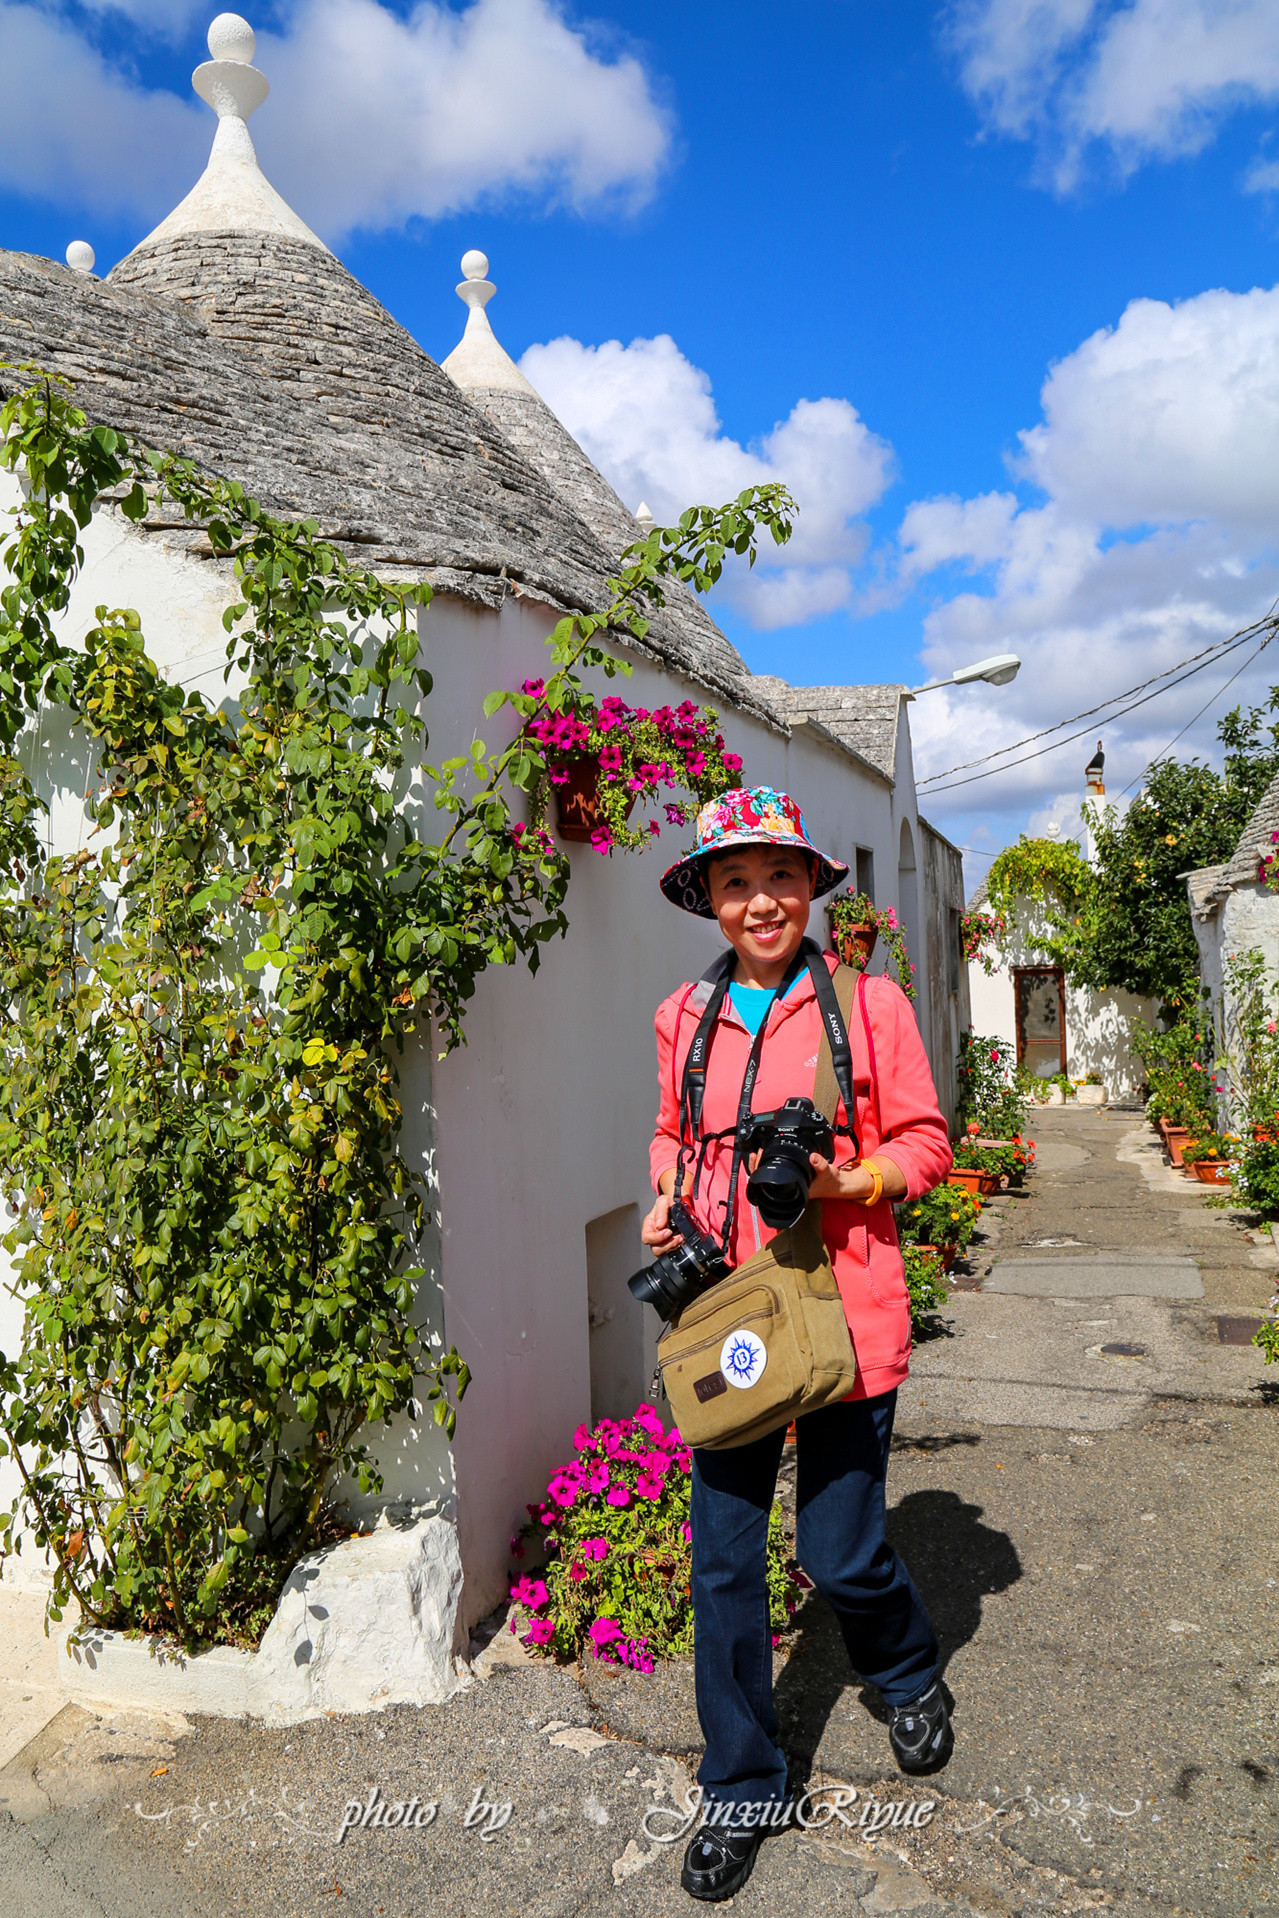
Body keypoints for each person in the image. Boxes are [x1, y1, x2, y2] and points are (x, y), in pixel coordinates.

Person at [643, 786, 953, 1904]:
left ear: (810, 888)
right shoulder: (684, 1012)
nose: (760, 898)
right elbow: (674, 1134)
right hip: (730, 1320)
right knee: (723, 1559)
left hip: (845, 1309)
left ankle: (906, 1666)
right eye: (736, 880)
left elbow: (923, 1142)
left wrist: (847, 1176)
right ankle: (742, 1786)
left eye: (779, 875)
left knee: (838, 1549)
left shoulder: (866, 1007)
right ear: (711, 901)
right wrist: (664, 1194)